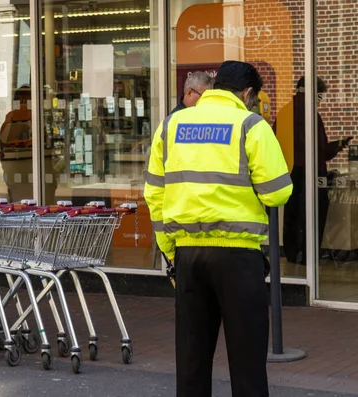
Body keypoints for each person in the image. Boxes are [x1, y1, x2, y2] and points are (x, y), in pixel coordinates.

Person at [144, 60, 293, 397]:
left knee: (192, 361)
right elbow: (278, 190)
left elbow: (154, 194)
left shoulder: (172, 125)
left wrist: (170, 252)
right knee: (247, 364)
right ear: (248, 93)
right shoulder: (251, 125)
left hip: (187, 255)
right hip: (239, 258)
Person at [274, 77, 353, 264]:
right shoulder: (311, 115)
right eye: (320, 96)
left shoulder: (284, 112)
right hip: (310, 173)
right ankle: (308, 256)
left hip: (289, 172)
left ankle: (293, 254)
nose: (320, 100)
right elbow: (321, 150)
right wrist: (339, 145)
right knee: (313, 215)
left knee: (292, 215)